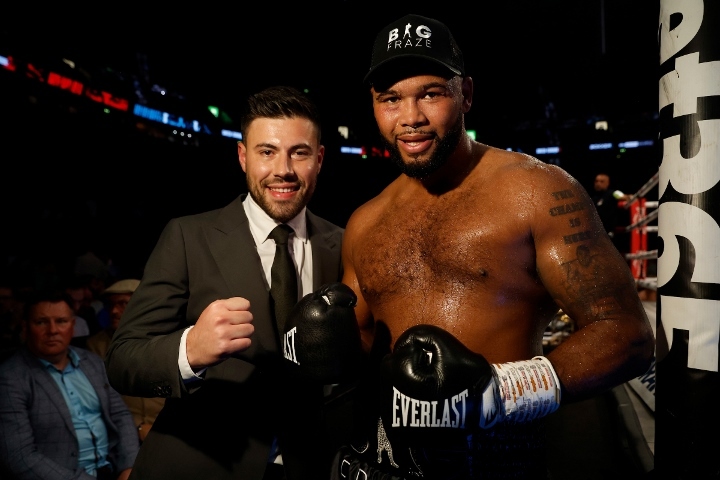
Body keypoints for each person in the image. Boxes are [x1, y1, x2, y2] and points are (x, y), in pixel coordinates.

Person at [327, 14, 655, 479]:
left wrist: (499, 391)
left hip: (498, 458)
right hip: (386, 458)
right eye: (391, 99)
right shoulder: (365, 221)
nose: (411, 118)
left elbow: (627, 334)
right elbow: (362, 342)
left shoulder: (537, 193)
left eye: (431, 93)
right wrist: (326, 348)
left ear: (466, 95)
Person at [104, 85, 345, 480]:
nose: (283, 169)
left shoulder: (344, 244)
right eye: (266, 152)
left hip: (309, 465)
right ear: (243, 156)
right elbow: (122, 360)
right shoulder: (188, 236)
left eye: (298, 153)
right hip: (201, 465)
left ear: (319, 159)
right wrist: (190, 350)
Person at [0, 289, 139, 480]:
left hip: (113, 469)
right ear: (25, 327)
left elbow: (120, 415)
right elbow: (19, 456)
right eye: (41, 322)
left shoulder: (93, 362)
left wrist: (129, 466)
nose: (53, 330)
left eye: (61, 321)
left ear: (73, 326)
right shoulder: (11, 377)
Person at [86, 278, 165, 444]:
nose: (114, 311)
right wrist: (138, 426)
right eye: (110, 305)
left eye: (123, 304)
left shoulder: (166, 339)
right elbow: (101, 398)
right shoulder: (97, 345)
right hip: (124, 432)